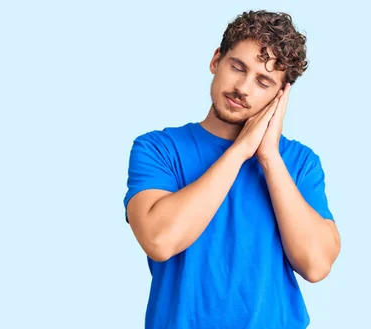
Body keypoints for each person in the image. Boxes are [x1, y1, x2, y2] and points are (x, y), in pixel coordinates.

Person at [123, 9, 341, 329]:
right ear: (216, 61)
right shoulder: (158, 148)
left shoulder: (299, 162)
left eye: (263, 81)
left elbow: (316, 265)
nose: (243, 87)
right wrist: (240, 151)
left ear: (280, 96)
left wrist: (269, 158)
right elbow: (159, 240)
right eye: (237, 67)